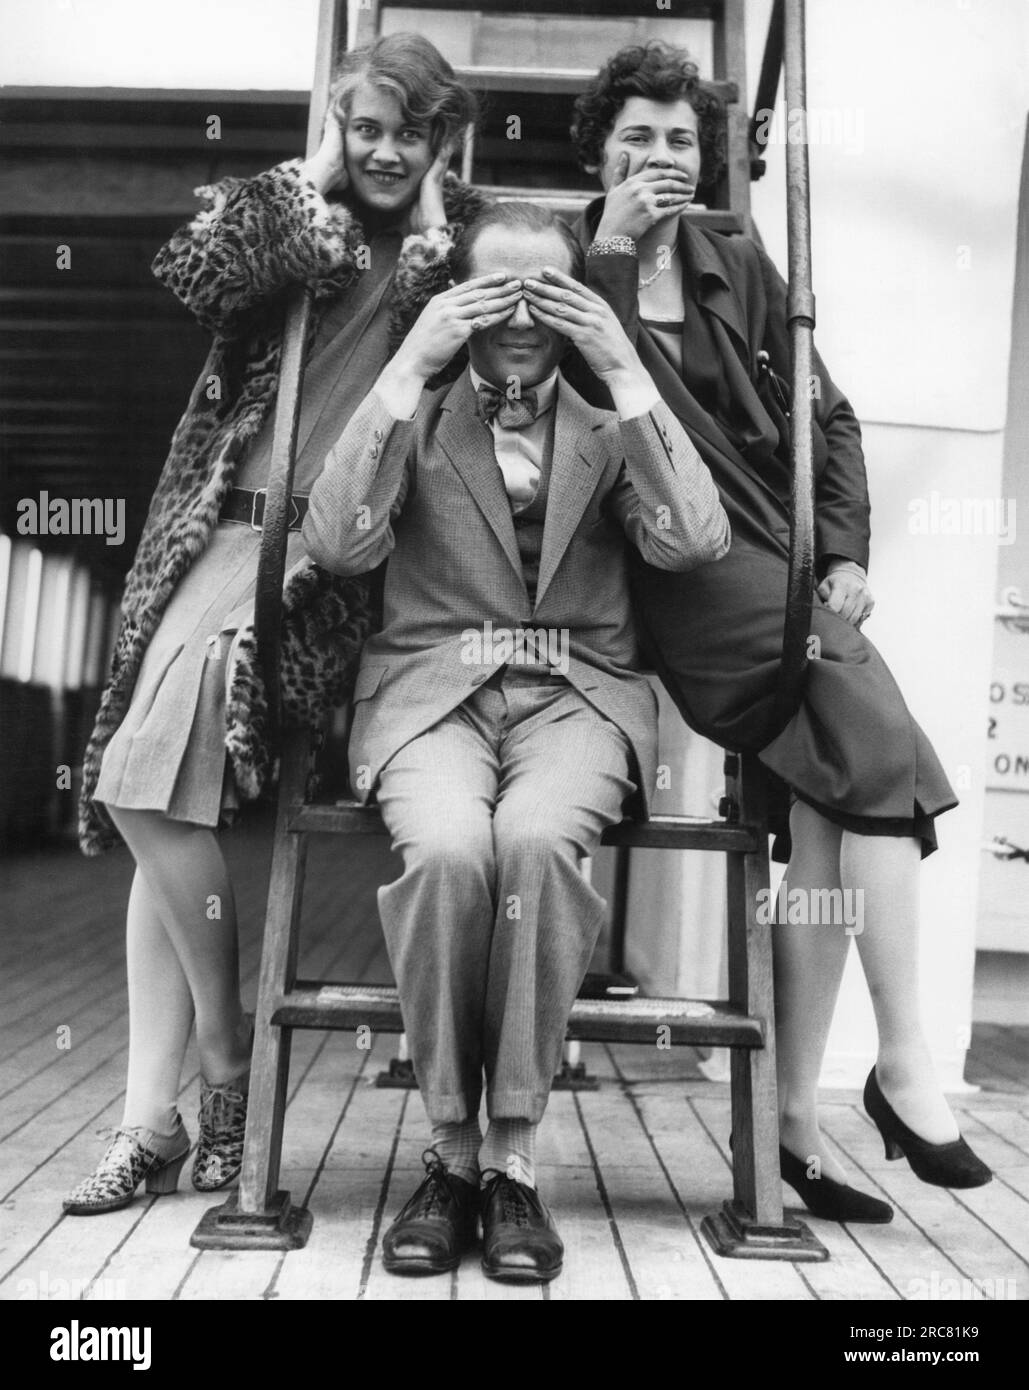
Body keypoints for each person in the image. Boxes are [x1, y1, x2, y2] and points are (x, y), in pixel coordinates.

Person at [564, 39, 991, 1224]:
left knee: (837, 808)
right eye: (637, 138)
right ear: (599, 150)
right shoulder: (563, 261)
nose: (660, 159)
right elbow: (584, 394)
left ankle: (796, 1123)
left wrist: (848, 552)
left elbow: (830, 415)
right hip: (670, 563)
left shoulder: (738, 255)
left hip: (781, 551)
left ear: (709, 162)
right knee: (877, 743)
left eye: (682, 142)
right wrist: (611, 248)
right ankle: (901, 1068)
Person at [66, 33, 483, 1216]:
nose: (387, 152)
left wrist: (441, 226)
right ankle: (161, 1113)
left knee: (144, 790)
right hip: (211, 542)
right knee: (156, 809)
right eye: (366, 128)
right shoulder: (296, 223)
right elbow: (193, 271)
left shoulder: (453, 251)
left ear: (445, 139)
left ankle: (224, 1075)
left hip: (319, 565)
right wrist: (306, 183)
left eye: (411, 131)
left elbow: (470, 361)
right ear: (336, 131)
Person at [302, 200, 730, 1281]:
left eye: (550, 289)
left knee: (536, 846)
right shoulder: (416, 406)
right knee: (451, 852)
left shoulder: (605, 423)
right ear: (458, 298)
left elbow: (694, 540)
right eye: (497, 290)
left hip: (576, 698)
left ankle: (514, 1164)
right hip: (430, 695)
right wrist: (412, 358)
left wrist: (621, 362)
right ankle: (447, 1151)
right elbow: (340, 541)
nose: (522, 315)